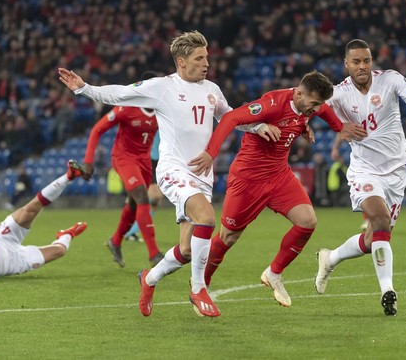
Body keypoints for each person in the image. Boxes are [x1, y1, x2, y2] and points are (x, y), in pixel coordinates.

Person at [58, 30, 278, 318]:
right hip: (173, 170)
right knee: (208, 218)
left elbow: (230, 117)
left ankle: (148, 279)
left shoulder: (212, 89)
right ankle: (199, 289)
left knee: (187, 251)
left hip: (201, 175)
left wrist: (257, 127)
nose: (206, 63)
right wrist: (83, 87)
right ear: (181, 62)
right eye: (199, 58)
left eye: (207, 58)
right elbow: (120, 92)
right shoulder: (162, 87)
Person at [189, 71, 367, 307]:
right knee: (228, 236)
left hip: (279, 175)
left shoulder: (309, 104)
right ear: (299, 93)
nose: (315, 109)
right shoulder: (271, 104)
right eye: (312, 104)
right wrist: (211, 152)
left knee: (307, 221)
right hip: (248, 179)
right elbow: (231, 118)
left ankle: (273, 273)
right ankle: (201, 284)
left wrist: (337, 127)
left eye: (318, 104)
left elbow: (322, 109)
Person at [315, 39, 406, 316]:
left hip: (397, 172)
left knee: (376, 238)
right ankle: (388, 292)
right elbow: (312, 106)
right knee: (380, 220)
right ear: (346, 64)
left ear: (371, 61)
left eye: (367, 61)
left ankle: (330, 258)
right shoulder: (338, 93)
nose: (362, 66)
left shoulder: (390, 80)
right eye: (357, 62)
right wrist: (336, 127)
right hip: (365, 170)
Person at [82, 72, 164, 268]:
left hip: (144, 161)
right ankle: (154, 254)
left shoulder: (162, 111)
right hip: (124, 158)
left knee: (134, 204)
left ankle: (115, 241)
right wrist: (88, 161)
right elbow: (97, 129)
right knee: (144, 198)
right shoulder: (127, 108)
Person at [124, 132, 164, 242]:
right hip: (148, 159)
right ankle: (129, 231)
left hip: (160, 160)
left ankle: (132, 231)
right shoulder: (152, 117)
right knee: (154, 198)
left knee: (156, 201)